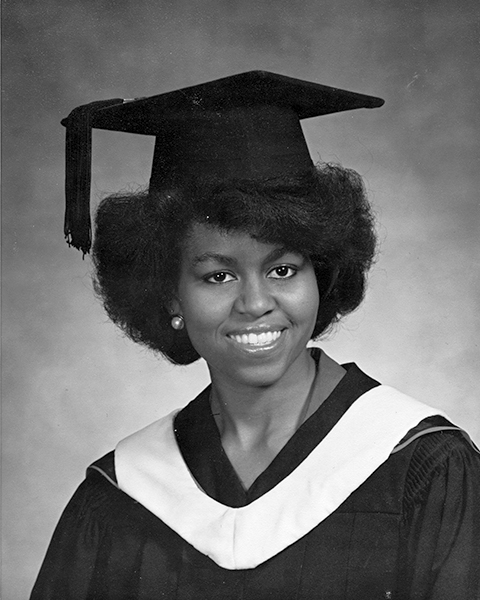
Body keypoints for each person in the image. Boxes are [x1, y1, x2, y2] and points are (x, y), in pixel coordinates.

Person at [31, 71, 480, 599]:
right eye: (218, 276)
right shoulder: (122, 492)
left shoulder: (425, 467)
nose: (255, 303)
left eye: (283, 270)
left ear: (321, 275)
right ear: (170, 296)